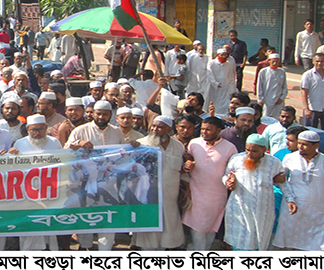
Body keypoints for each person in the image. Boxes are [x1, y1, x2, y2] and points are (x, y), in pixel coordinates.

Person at [65, 100, 127, 250]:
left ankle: (104, 250)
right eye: (98, 114)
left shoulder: (116, 131)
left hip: (109, 182)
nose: (101, 117)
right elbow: (66, 149)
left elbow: (123, 154)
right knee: (86, 213)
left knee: (108, 215)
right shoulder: (80, 130)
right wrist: (79, 142)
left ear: (110, 115)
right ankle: (85, 247)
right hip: (84, 182)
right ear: (93, 114)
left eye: (105, 114)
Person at [4, 114, 62, 251]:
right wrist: (10, 155)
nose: (37, 133)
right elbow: (13, 168)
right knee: (29, 223)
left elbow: (63, 163)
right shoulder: (20, 144)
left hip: (49, 190)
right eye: (33, 130)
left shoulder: (55, 142)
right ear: (28, 129)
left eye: (40, 130)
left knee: (48, 223)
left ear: (46, 128)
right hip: (28, 192)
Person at [272, 130, 324, 250]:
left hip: (316, 211)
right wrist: (289, 198)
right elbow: (281, 181)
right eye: (299, 143)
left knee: (316, 245)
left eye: (304, 144)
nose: (300, 147)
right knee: (288, 244)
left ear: (316, 146)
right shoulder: (289, 158)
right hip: (292, 209)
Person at [182, 116, 237, 251]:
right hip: (196, 193)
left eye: (208, 130)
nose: (204, 132)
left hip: (217, 196)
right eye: (202, 129)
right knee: (198, 229)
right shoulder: (194, 143)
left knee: (211, 230)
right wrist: (187, 165)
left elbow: (234, 170)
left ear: (218, 131)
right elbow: (187, 162)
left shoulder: (230, 148)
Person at [222, 134, 284, 250]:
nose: (249, 154)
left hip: (262, 210)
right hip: (240, 206)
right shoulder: (237, 159)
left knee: (259, 240)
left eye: (254, 151)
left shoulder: (274, 163)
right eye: (247, 149)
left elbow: (281, 181)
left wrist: (290, 199)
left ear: (264, 150)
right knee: (240, 239)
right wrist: (228, 181)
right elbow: (226, 175)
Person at [133, 116, 185, 250]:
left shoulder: (178, 146)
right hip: (148, 196)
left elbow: (184, 170)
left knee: (168, 229)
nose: (155, 130)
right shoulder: (140, 144)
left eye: (160, 127)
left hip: (170, 197)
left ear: (169, 129)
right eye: (153, 126)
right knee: (149, 230)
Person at [300, 52, 324, 152]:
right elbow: (304, 93)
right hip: (312, 108)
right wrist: (306, 108)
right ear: (313, 61)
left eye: (322, 61)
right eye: (317, 61)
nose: (319, 63)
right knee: (310, 133)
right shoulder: (308, 75)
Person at [256, 53, 287, 118]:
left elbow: (284, 86)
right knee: (266, 117)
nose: (275, 63)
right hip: (267, 99)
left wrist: (282, 98)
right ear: (269, 61)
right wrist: (260, 99)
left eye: (277, 61)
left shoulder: (282, 71)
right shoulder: (264, 71)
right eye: (273, 61)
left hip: (279, 100)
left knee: (278, 117)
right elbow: (259, 86)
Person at [207, 48, 236, 116]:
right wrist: (215, 83)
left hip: (226, 87)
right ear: (218, 55)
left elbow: (231, 76)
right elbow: (209, 74)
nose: (224, 57)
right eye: (222, 55)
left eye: (225, 55)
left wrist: (232, 89)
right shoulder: (212, 63)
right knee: (214, 102)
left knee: (226, 102)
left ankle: (224, 115)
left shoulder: (228, 64)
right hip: (215, 88)